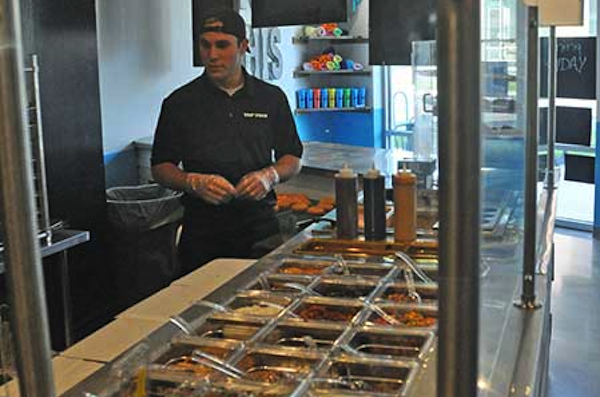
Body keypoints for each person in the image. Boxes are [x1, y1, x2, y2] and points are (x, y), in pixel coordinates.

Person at [151, 9, 303, 275]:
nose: (212, 55)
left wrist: (270, 176)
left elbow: (292, 158)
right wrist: (192, 182)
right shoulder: (180, 103)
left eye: (222, 45)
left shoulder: (271, 98)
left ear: (243, 46)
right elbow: (161, 166)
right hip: (202, 232)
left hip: (260, 230)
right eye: (205, 45)